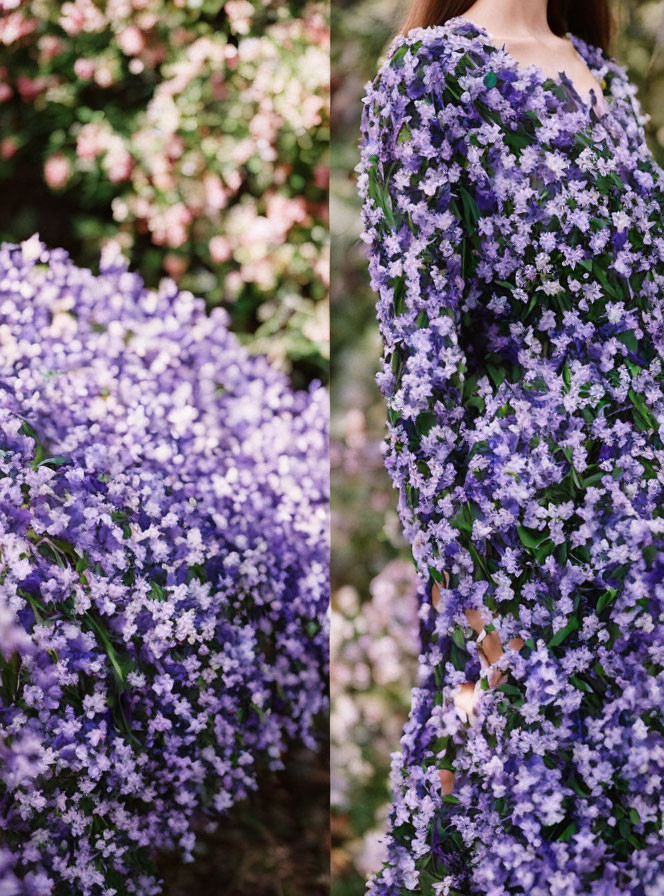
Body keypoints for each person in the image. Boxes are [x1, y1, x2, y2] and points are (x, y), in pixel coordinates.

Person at [356, 0, 664, 892]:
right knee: (511, 833)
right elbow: (420, 369)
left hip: (642, 541)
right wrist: (475, 600)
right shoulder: (427, 78)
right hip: (527, 549)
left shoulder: (605, 79)